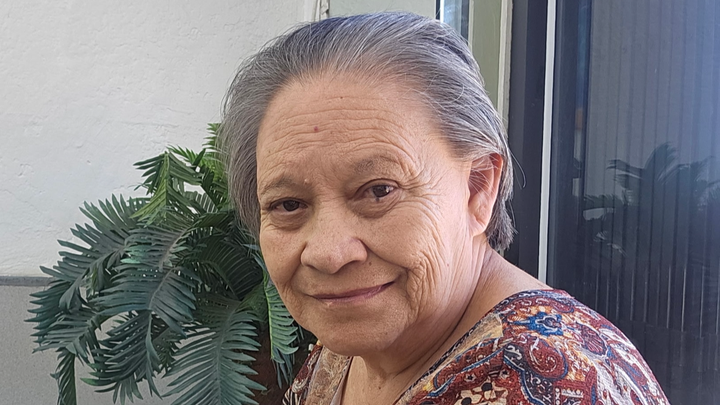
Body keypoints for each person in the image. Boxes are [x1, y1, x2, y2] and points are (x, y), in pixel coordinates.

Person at [220, 12, 669, 405]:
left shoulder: (540, 383)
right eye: (288, 204)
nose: (329, 254)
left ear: (478, 188)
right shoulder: (366, 336)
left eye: (379, 191)